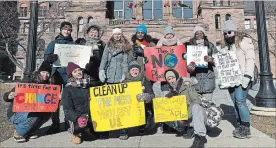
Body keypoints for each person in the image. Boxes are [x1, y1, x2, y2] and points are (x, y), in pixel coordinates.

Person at [216, 20, 255, 139]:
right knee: (234, 101)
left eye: (230, 32)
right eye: (225, 33)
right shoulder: (225, 47)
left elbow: (250, 59)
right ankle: (239, 124)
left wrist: (247, 76)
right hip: (231, 79)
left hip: (243, 77)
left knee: (240, 101)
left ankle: (246, 127)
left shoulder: (244, 42)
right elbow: (221, 62)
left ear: (235, 32)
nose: (228, 35)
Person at [2, 61, 54, 142]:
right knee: (34, 115)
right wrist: (8, 95)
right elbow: (7, 96)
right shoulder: (28, 81)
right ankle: (18, 133)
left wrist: (58, 97)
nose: (45, 75)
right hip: (16, 113)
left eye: (48, 73)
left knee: (47, 114)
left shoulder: (48, 86)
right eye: (43, 72)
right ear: (39, 72)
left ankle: (29, 132)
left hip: (33, 111)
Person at [43, 21, 75, 134]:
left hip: (68, 75)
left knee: (68, 99)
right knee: (55, 99)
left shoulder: (73, 44)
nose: (67, 31)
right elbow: (46, 56)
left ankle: (68, 121)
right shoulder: (54, 43)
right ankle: (55, 123)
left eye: (69, 29)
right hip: (56, 74)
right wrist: (50, 57)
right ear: (61, 30)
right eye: (65, 29)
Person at [164, 69, 207, 148]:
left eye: (172, 78)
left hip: (196, 114)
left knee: (196, 107)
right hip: (185, 117)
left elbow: (197, 101)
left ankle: (200, 137)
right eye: (169, 79)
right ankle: (190, 129)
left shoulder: (186, 85)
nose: (171, 81)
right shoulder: (171, 91)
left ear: (176, 77)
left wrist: (187, 114)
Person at [62, 62, 100, 144]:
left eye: (79, 70)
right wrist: (77, 118)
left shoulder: (89, 85)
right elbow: (67, 109)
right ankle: (76, 133)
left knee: (98, 134)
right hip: (77, 117)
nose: (78, 72)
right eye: (75, 71)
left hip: (89, 115)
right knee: (80, 126)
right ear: (71, 75)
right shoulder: (67, 89)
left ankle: (88, 129)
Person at [119, 61, 155, 140]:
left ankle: (142, 126)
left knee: (147, 112)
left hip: (141, 105)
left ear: (139, 71)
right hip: (128, 105)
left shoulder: (144, 80)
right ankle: (123, 131)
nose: (134, 71)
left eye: (136, 70)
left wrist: (146, 97)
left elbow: (152, 95)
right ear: (129, 71)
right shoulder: (124, 82)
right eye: (132, 70)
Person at [186, 25, 218, 102]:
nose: (199, 35)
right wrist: (191, 67)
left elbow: (217, 61)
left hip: (208, 78)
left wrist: (210, 59)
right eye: (197, 33)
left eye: (201, 33)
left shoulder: (210, 45)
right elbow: (188, 67)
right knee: (198, 106)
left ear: (204, 34)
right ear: (194, 36)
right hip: (195, 80)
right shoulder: (190, 47)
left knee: (208, 105)